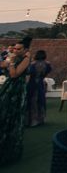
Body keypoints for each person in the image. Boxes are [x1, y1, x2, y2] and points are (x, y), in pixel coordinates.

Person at [0, 36, 32, 164]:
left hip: (17, 90)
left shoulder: (25, 59)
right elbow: (3, 65)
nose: (16, 50)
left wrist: (11, 62)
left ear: (25, 50)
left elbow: (14, 74)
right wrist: (7, 62)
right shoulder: (14, 57)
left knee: (12, 117)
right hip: (8, 87)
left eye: (19, 49)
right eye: (15, 48)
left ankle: (9, 150)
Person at [26, 49, 52, 127]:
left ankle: (32, 120)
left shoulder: (32, 64)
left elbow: (29, 73)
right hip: (40, 83)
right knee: (40, 101)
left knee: (32, 101)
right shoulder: (47, 64)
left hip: (32, 83)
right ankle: (41, 119)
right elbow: (47, 72)